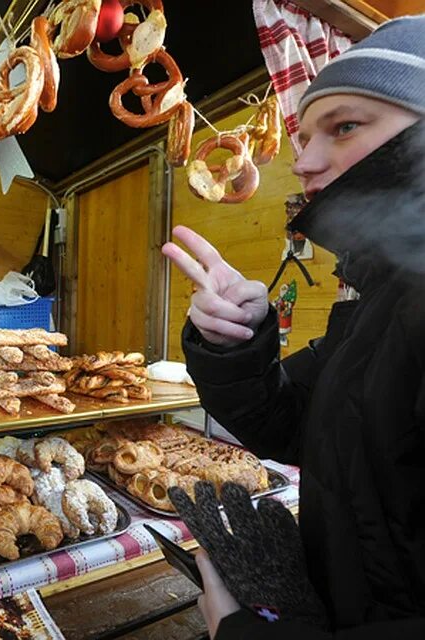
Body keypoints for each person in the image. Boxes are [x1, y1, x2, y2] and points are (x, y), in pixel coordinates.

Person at [162, 14, 425, 639]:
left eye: (345, 127)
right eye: (305, 135)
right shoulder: (381, 300)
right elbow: (296, 424)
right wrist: (238, 343)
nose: (304, 161)